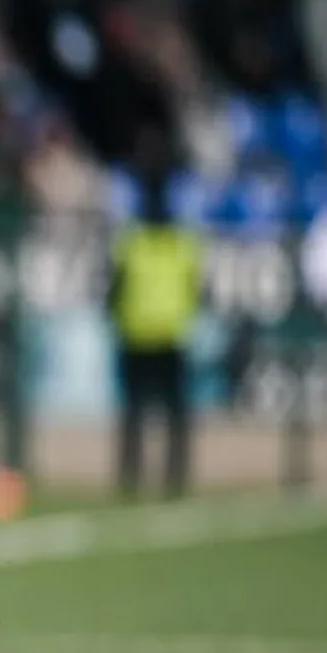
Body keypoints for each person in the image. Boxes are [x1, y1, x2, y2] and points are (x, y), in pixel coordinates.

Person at [108, 136, 203, 498]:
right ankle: (175, 479)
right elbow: (196, 291)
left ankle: (130, 478)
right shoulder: (184, 244)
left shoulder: (130, 242)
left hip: (136, 335)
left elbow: (113, 291)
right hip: (172, 336)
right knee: (175, 416)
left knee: (135, 415)